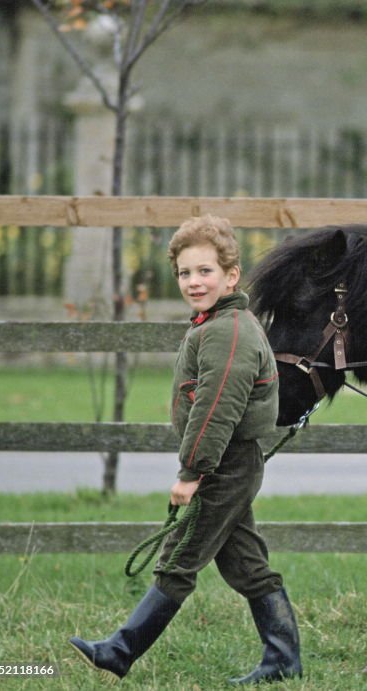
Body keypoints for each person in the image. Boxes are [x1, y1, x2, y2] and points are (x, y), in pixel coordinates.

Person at [69, 215, 302, 684]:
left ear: (231, 276)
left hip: (223, 464)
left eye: (205, 271)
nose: (194, 282)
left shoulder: (225, 332)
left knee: (178, 559)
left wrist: (192, 472)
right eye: (184, 273)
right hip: (229, 462)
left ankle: (120, 650)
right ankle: (283, 662)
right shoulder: (217, 323)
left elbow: (215, 408)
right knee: (248, 565)